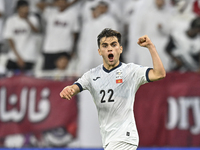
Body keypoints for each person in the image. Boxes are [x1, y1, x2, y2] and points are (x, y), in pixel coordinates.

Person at [60, 28, 166, 150]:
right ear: (100, 51)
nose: (109, 48)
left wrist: (151, 47)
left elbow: (159, 74)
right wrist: (69, 89)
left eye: (113, 44)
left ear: (120, 49)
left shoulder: (130, 71)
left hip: (124, 137)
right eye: (105, 46)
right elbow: (75, 87)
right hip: (109, 138)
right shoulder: (92, 75)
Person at [3, 0, 39, 73]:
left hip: (29, 56)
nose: (26, 10)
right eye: (23, 8)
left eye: (27, 8)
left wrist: (27, 19)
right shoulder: (11, 20)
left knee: (28, 80)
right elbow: (10, 40)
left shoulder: (32, 18)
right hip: (14, 57)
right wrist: (18, 57)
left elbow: (36, 31)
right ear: (18, 8)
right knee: (9, 78)